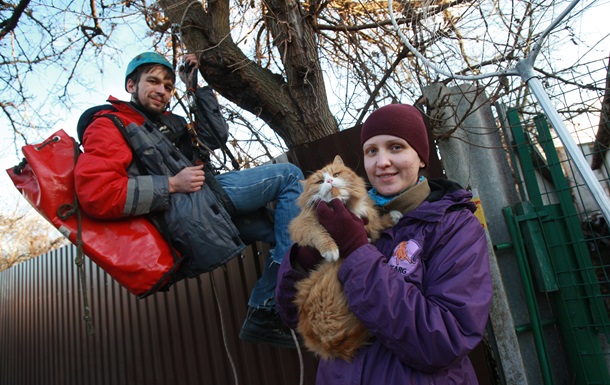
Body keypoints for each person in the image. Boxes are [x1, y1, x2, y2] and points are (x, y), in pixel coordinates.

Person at [74, 51, 304, 348]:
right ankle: (279, 298)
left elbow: (216, 137)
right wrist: (170, 184)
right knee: (288, 176)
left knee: (287, 231)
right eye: (153, 82)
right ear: (131, 85)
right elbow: (97, 193)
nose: (162, 91)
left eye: (169, 87)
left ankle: (263, 311)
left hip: (205, 205)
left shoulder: (171, 122)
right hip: (190, 207)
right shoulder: (111, 124)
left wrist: (194, 85)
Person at [275, 104, 492, 383]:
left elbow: (446, 339)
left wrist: (357, 253)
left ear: (422, 157)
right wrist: (302, 262)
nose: (382, 162)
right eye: (371, 151)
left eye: (396, 147)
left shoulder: (454, 226)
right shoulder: (345, 217)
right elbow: (292, 316)